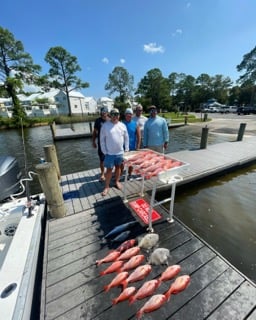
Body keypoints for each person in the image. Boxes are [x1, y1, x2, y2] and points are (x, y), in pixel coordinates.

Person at [100, 108, 129, 196]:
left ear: (119, 116)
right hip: (109, 153)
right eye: (113, 114)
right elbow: (102, 140)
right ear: (110, 115)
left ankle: (117, 181)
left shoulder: (122, 125)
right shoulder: (105, 126)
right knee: (109, 170)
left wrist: (126, 150)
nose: (115, 116)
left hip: (120, 152)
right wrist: (104, 151)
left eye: (117, 114)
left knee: (118, 168)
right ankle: (107, 186)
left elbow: (126, 138)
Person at [92, 107, 109, 181]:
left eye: (105, 112)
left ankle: (109, 172)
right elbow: (95, 132)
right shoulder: (97, 121)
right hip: (101, 143)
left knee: (109, 159)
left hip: (109, 144)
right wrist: (93, 141)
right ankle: (102, 173)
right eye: (102, 112)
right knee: (101, 160)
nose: (104, 113)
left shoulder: (110, 120)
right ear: (101, 112)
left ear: (107, 112)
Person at [122, 107, 141, 176]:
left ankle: (129, 174)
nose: (129, 115)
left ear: (132, 115)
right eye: (127, 114)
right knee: (121, 163)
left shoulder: (135, 124)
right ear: (125, 115)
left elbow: (139, 136)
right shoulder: (121, 124)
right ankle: (120, 174)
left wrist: (138, 146)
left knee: (131, 162)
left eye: (130, 114)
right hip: (122, 147)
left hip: (132, 147)